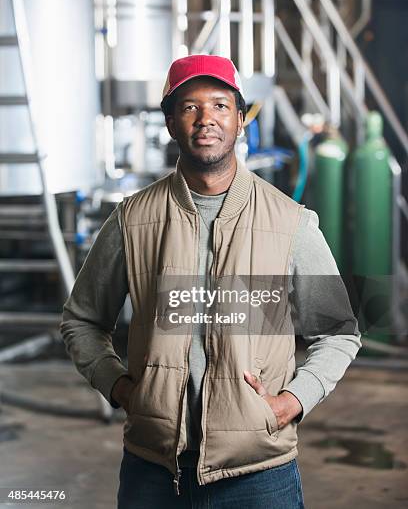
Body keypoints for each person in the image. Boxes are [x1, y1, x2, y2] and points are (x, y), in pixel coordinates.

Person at [60, 54, 361, 509]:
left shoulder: (290, 222)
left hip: (259, 472)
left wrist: (291, 401)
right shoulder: (132, 219)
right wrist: (121, 387)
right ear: (170, 123)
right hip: (154, 470)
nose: (207, 119)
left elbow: (338, 333)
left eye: (221, 105)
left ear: (241, 120)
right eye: (189, 107)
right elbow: (81, 320)